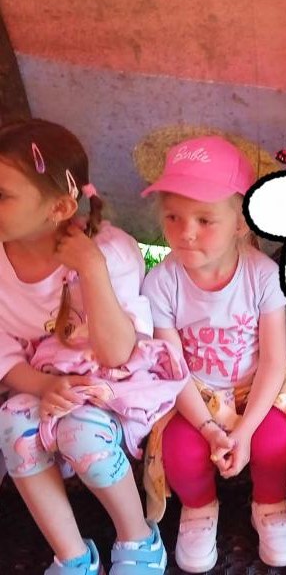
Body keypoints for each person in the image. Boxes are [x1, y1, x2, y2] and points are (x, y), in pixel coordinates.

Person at [0, 119, 169, 574]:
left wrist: (91, 271)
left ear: (59, 207)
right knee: (13, 426)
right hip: (41, 383)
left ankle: (139, 539)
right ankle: (73, 557)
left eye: (2, 194)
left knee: (83, 430)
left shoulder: (109, 254)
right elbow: (3, 351)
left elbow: (118, 354)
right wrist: (42, 387)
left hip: (113, 385)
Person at [140, 135, 286, 572]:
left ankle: (270, 504)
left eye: (205, 219)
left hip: (255, 389)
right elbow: (173, 369)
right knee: (180, 448)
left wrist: (244, 431)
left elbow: (273, 362)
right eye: (173, 217)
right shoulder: (162, 283)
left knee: (275, 439)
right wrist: (210, 428)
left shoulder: (263, 275)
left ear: (240, 222)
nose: (186, 231)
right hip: (196, 393)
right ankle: (198, 509)